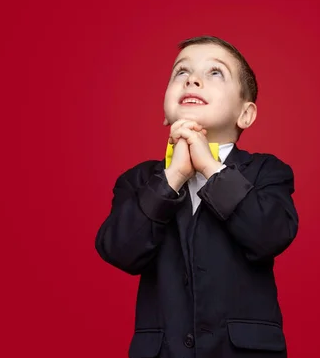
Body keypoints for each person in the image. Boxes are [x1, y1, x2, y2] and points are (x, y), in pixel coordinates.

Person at [95, 35, 299, 358]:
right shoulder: (139, 180)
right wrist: (173, 176)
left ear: (245, 115)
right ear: (165, 111)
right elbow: (118, 249)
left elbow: (269, 235)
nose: (192, 79)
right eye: (181, 72)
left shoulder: (267, 172)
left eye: (215, 73)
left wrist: (209, 167)